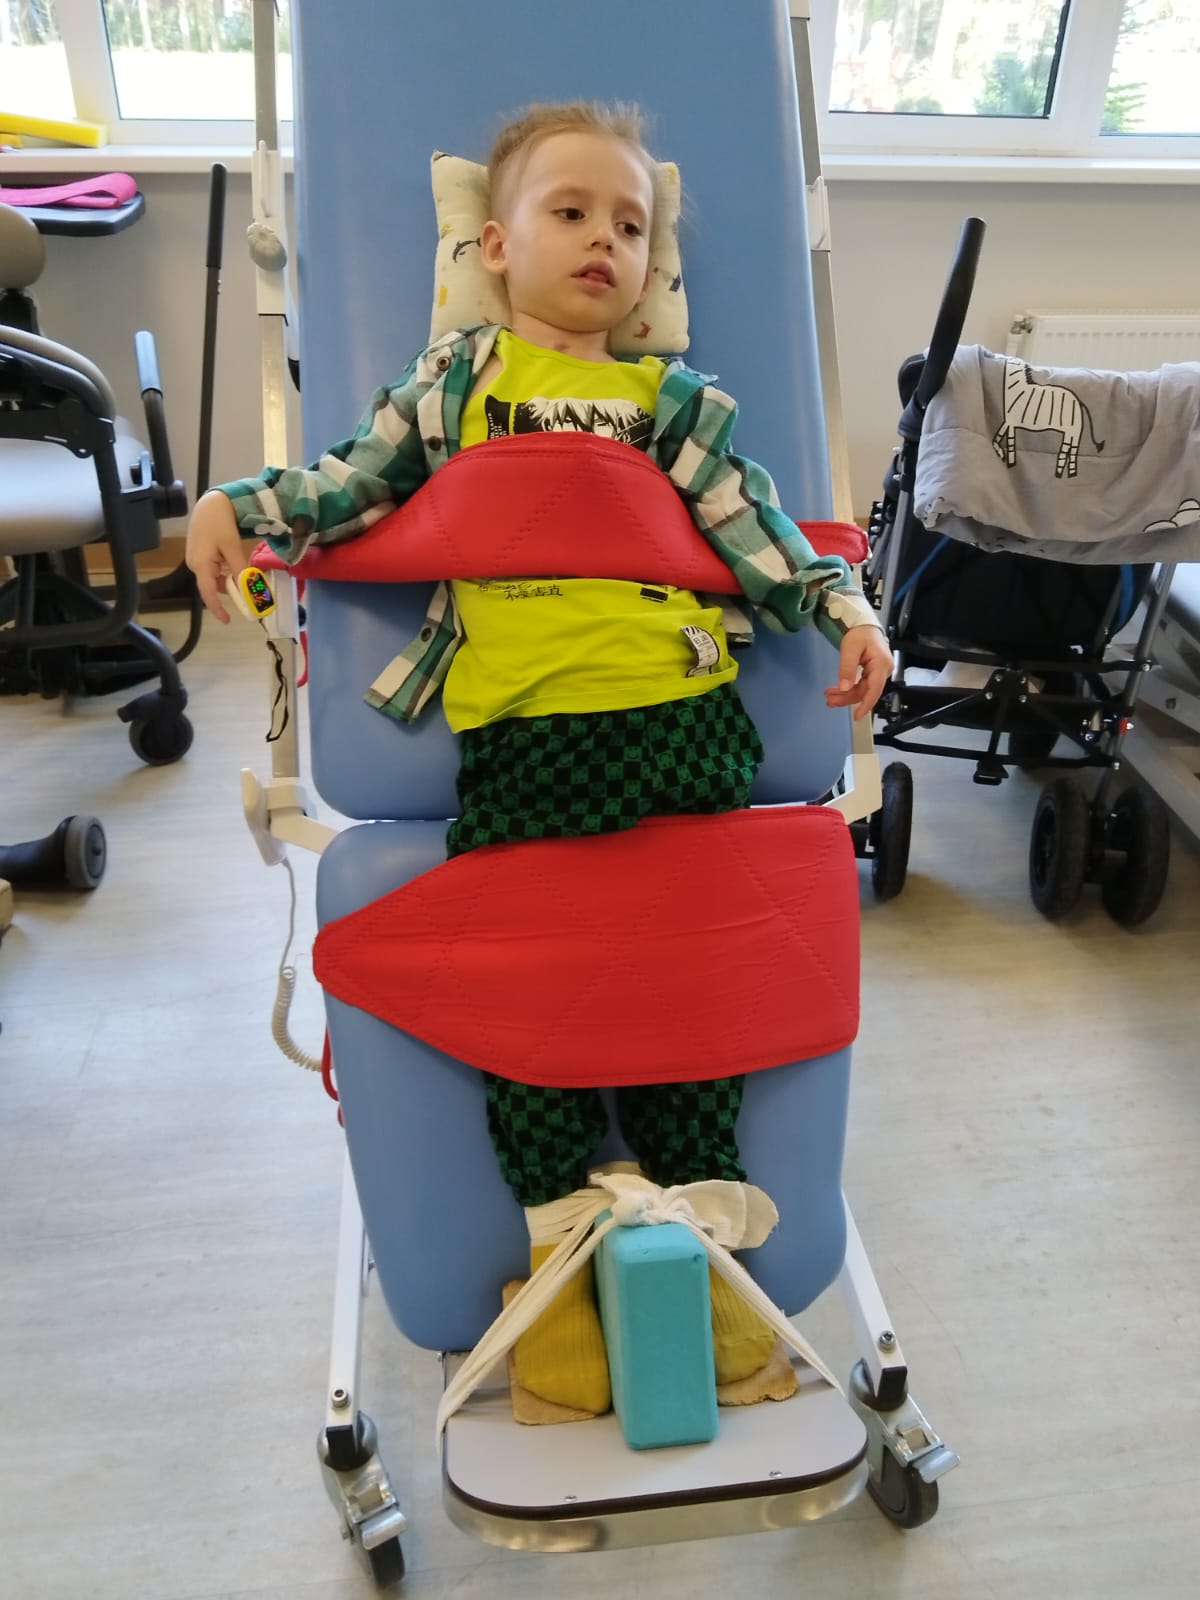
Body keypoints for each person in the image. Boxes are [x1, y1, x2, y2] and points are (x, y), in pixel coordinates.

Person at [187, 101, 893, 1420]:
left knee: (688, 995)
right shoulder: (453, 387)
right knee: (535, 1005)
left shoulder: (675, 404)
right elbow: (346, 487)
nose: (604, 241)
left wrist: (845, 609)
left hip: (686, 730)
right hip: (526, 742)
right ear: (495, 246)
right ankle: (560, 1271)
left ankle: (705, 1264)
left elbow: (757, 536)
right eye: (571, 213)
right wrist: (238, 502)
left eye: (631, 225)